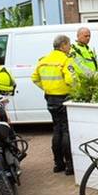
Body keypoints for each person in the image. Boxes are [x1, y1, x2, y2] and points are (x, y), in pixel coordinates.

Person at [31, 35, 76, 175]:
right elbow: (71, 80)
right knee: (66, 130)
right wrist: (76, 91)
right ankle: (70, 165)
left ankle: (58, 164)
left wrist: (47, 88)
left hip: (50, 98)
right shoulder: (65, 60)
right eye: (69, 45)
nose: (70, 47)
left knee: (57, 129)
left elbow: (34, 78)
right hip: (65, 97)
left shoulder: (43, 60)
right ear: (63, 45)